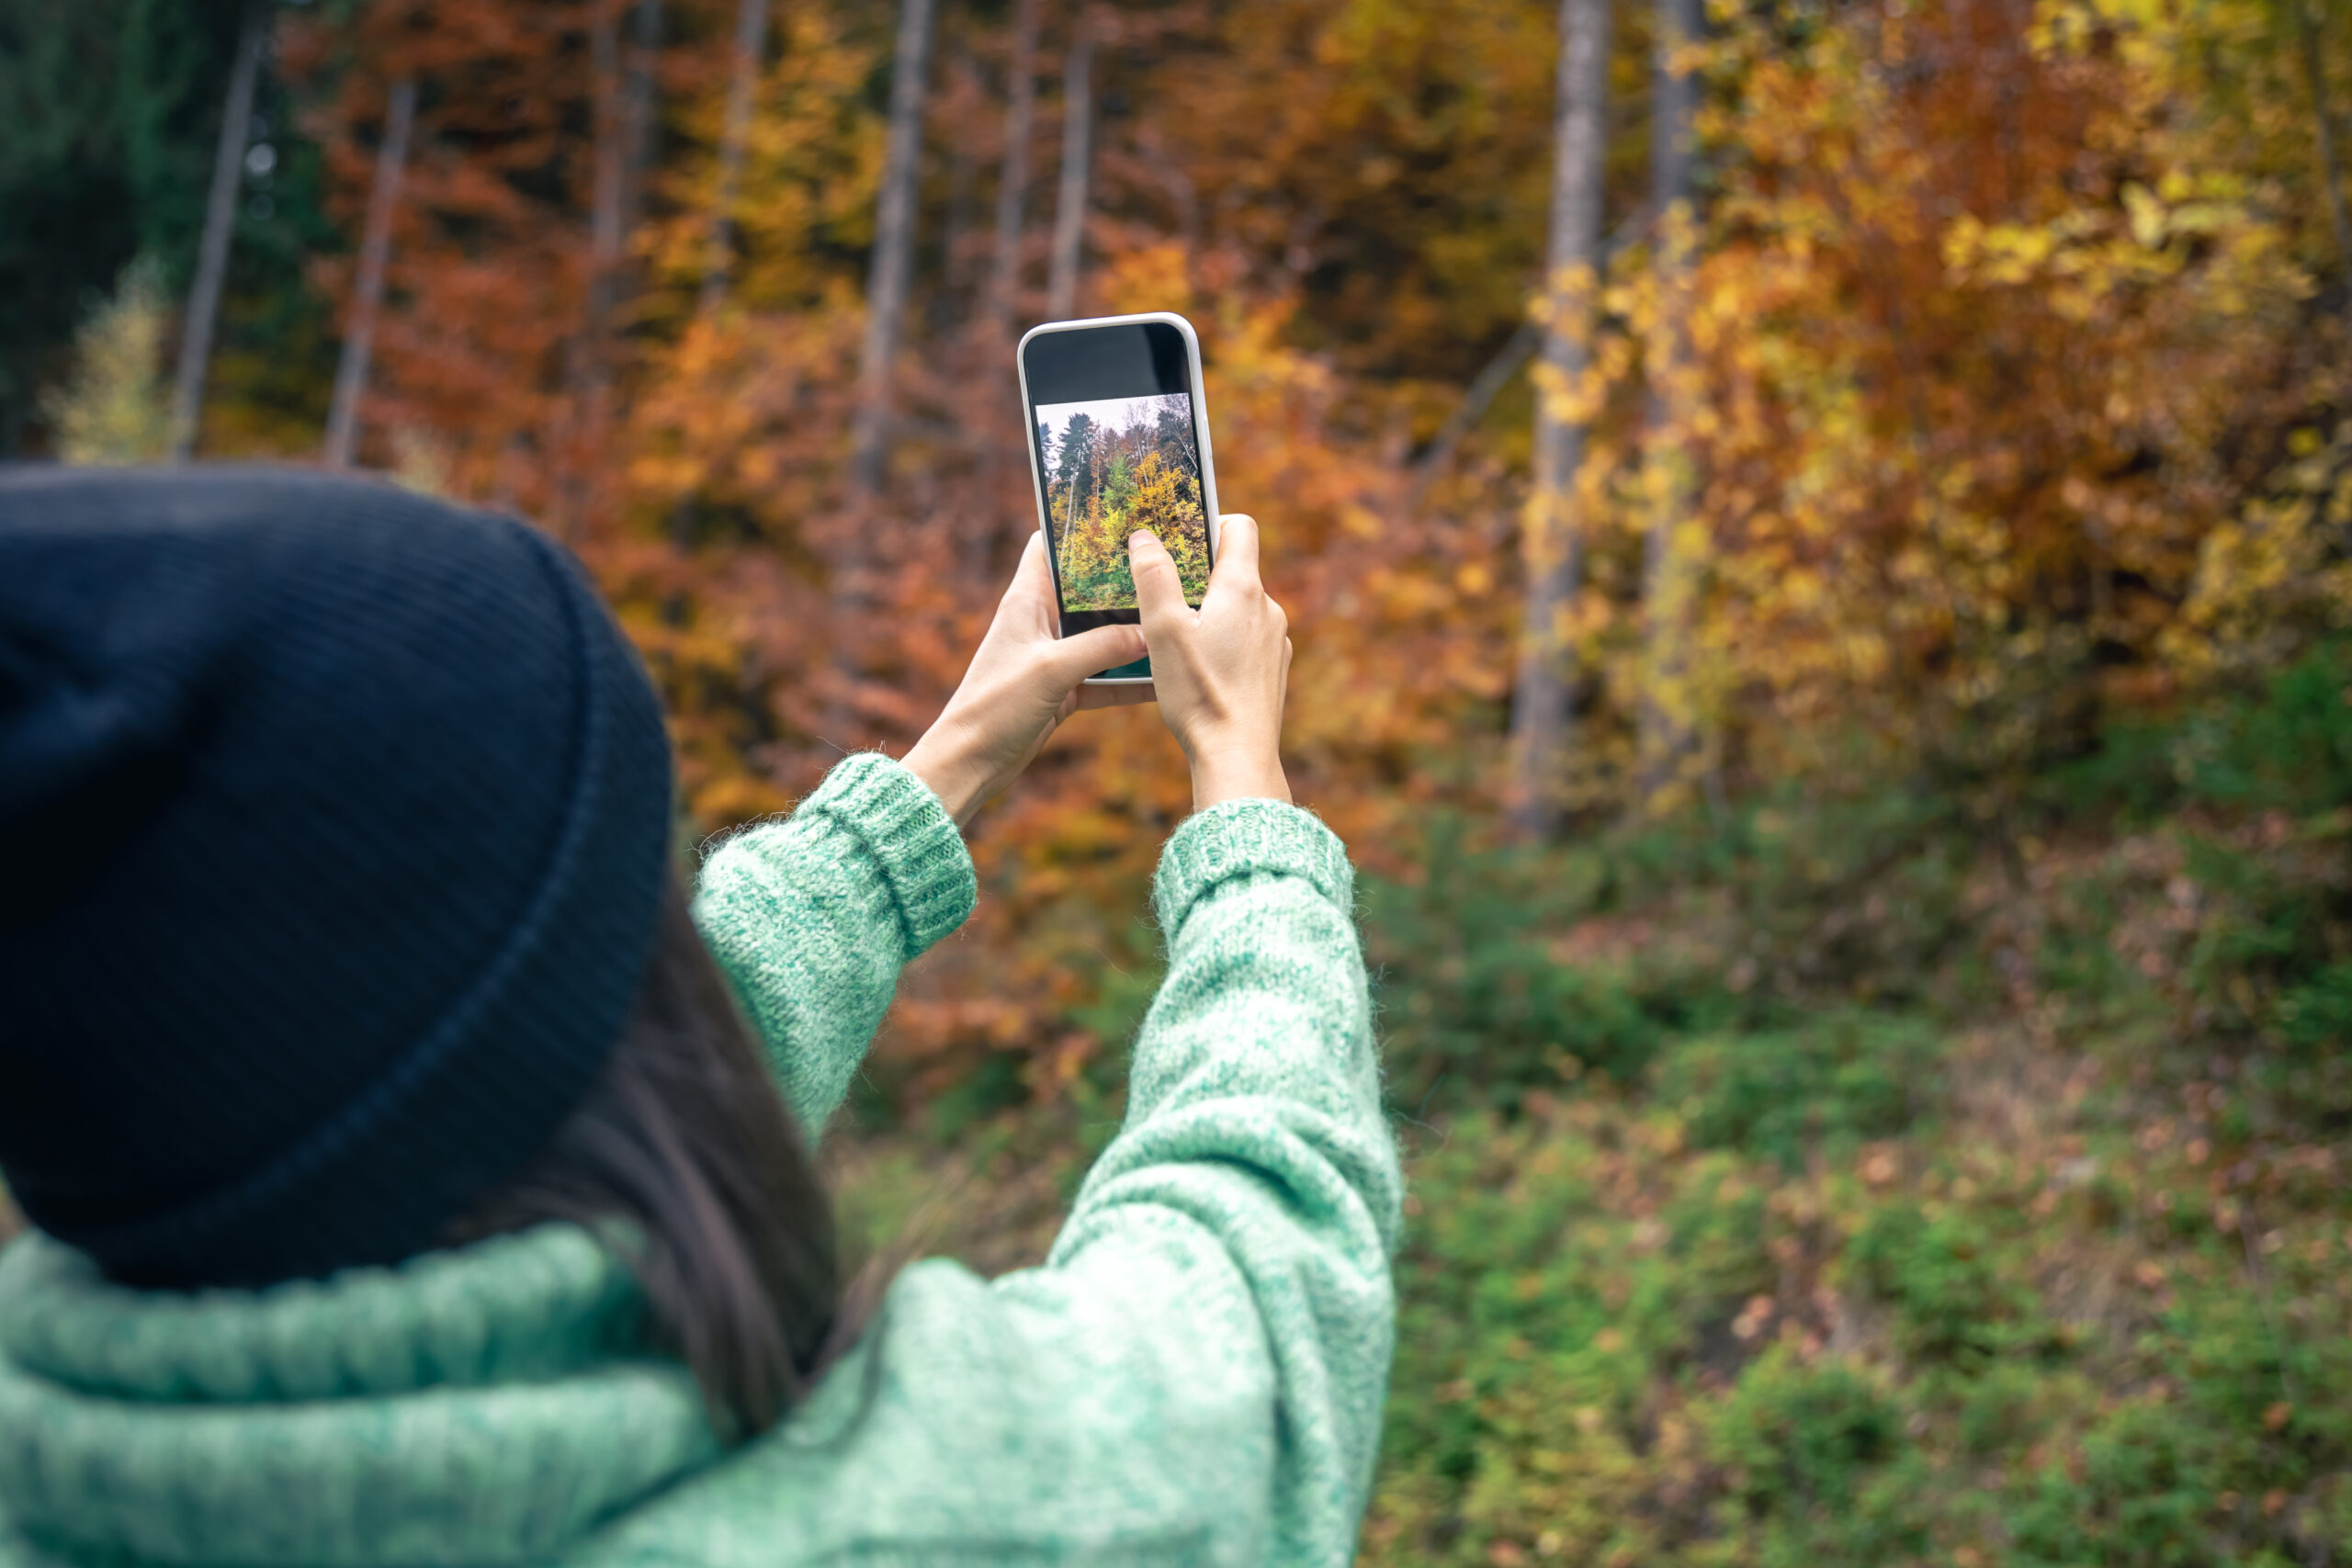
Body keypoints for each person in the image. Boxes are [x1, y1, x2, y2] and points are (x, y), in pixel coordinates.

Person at [0, 466, 1400, 1567]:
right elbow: (1256, 1325)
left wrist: (958, 750)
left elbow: (566, 1046)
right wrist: (1242, 789)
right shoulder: (918, 1516)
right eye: (642, 899)